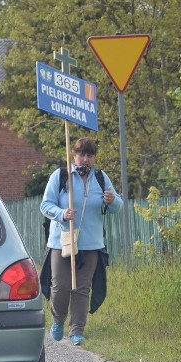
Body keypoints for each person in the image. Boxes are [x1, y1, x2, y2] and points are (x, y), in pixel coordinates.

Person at [39, 137, 122, 346]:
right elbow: (45, 205)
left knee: (82, 288)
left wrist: (112, 201)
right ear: (73, 155)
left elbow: (117, 206)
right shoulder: (61, 176)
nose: (85, 159)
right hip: (62, 242)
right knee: (60, 286)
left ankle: (77, 330)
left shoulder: (101, 178)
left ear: (94, 157)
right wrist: (62, 213)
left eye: (90, 155)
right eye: (81, 154)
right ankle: (58, 320)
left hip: (91, 244)